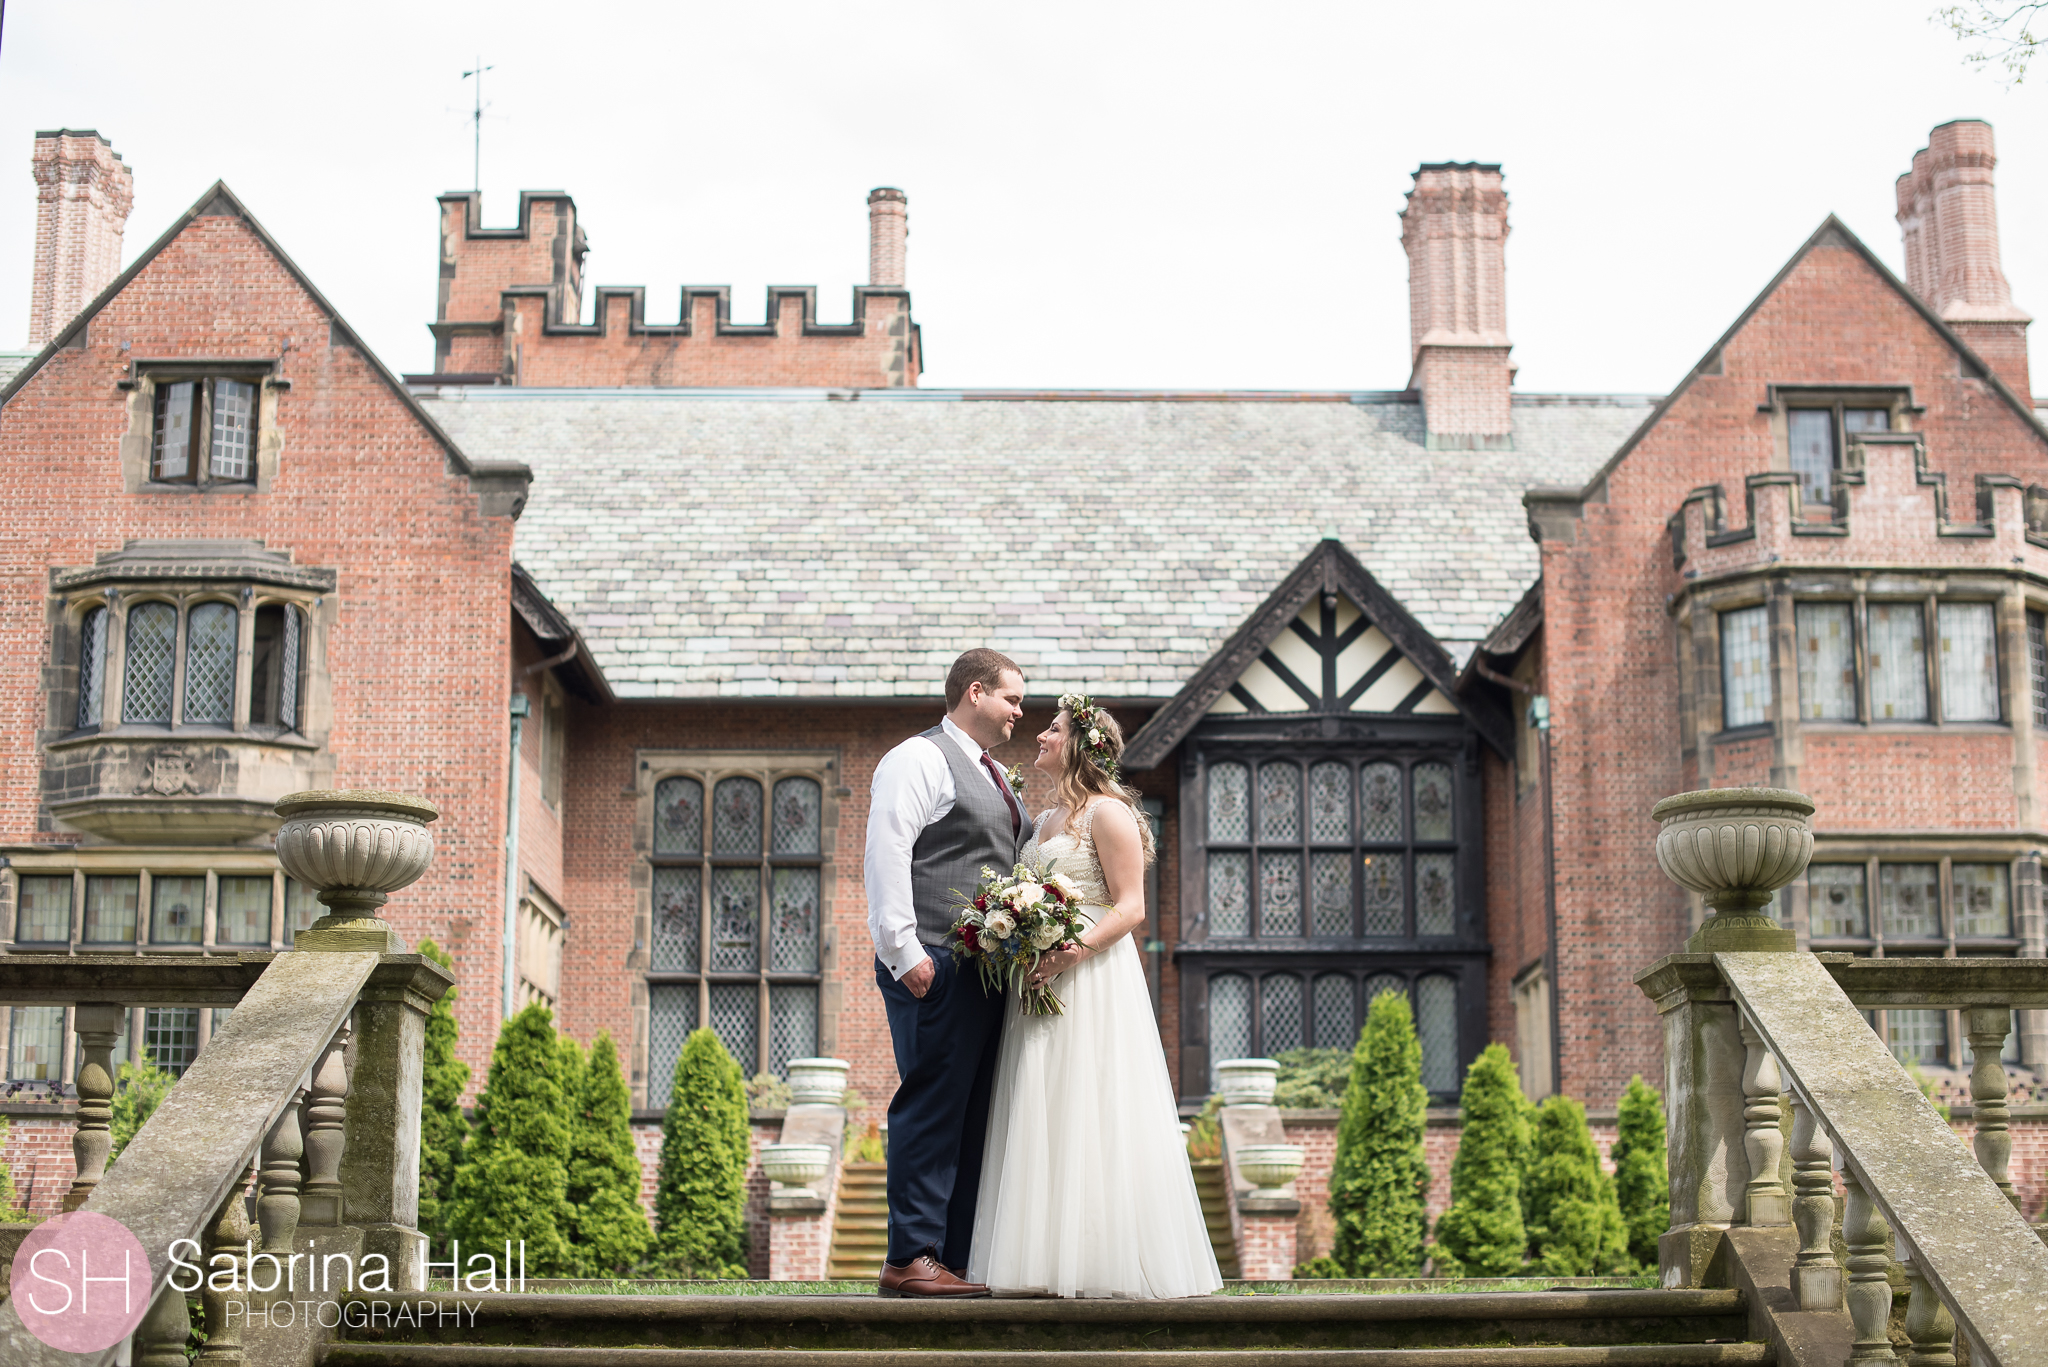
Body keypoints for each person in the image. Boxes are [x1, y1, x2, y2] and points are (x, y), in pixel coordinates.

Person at [969, 693, 1222, 1298]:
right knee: (1043, 1100)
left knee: (1092, 1101)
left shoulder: (1109, 814)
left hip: (1091, 973)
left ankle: (1103, 1259)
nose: (1039, 738)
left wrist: (1072, 951)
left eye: (1051, 730)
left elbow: (1131, 905)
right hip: (1038, 975)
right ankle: (1039, 1258)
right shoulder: (1045, 819)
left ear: (1079, 744)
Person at [864, 648, 1028, 1298]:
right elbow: (887, 848)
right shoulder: (919, 757)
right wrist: (905, 954)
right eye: (1013, 697)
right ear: (976, 690)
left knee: (971, 1115)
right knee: (932, 1108)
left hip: (984, 976)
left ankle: (951, 1258)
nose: (1021, 711)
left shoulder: (995, 776)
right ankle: (910, 1255)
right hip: (935, 963)